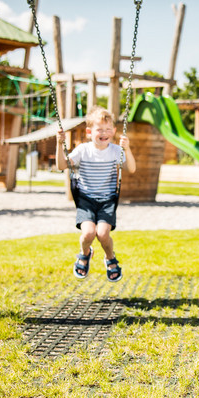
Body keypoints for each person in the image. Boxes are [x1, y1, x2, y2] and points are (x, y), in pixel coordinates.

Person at [55, 106, 136, 282]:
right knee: (88, 234)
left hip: (107, 200)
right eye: (100, 129)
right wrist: (59, 144)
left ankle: (109, 257)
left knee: (103, 234)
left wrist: (127, 149)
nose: (104, 133)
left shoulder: (115, 150)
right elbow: (61, 166)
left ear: (114, 131)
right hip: (86, 200)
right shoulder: (83, 150)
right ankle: (85, 254)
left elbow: (132, 168)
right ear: (89, 132)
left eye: (108, 129)